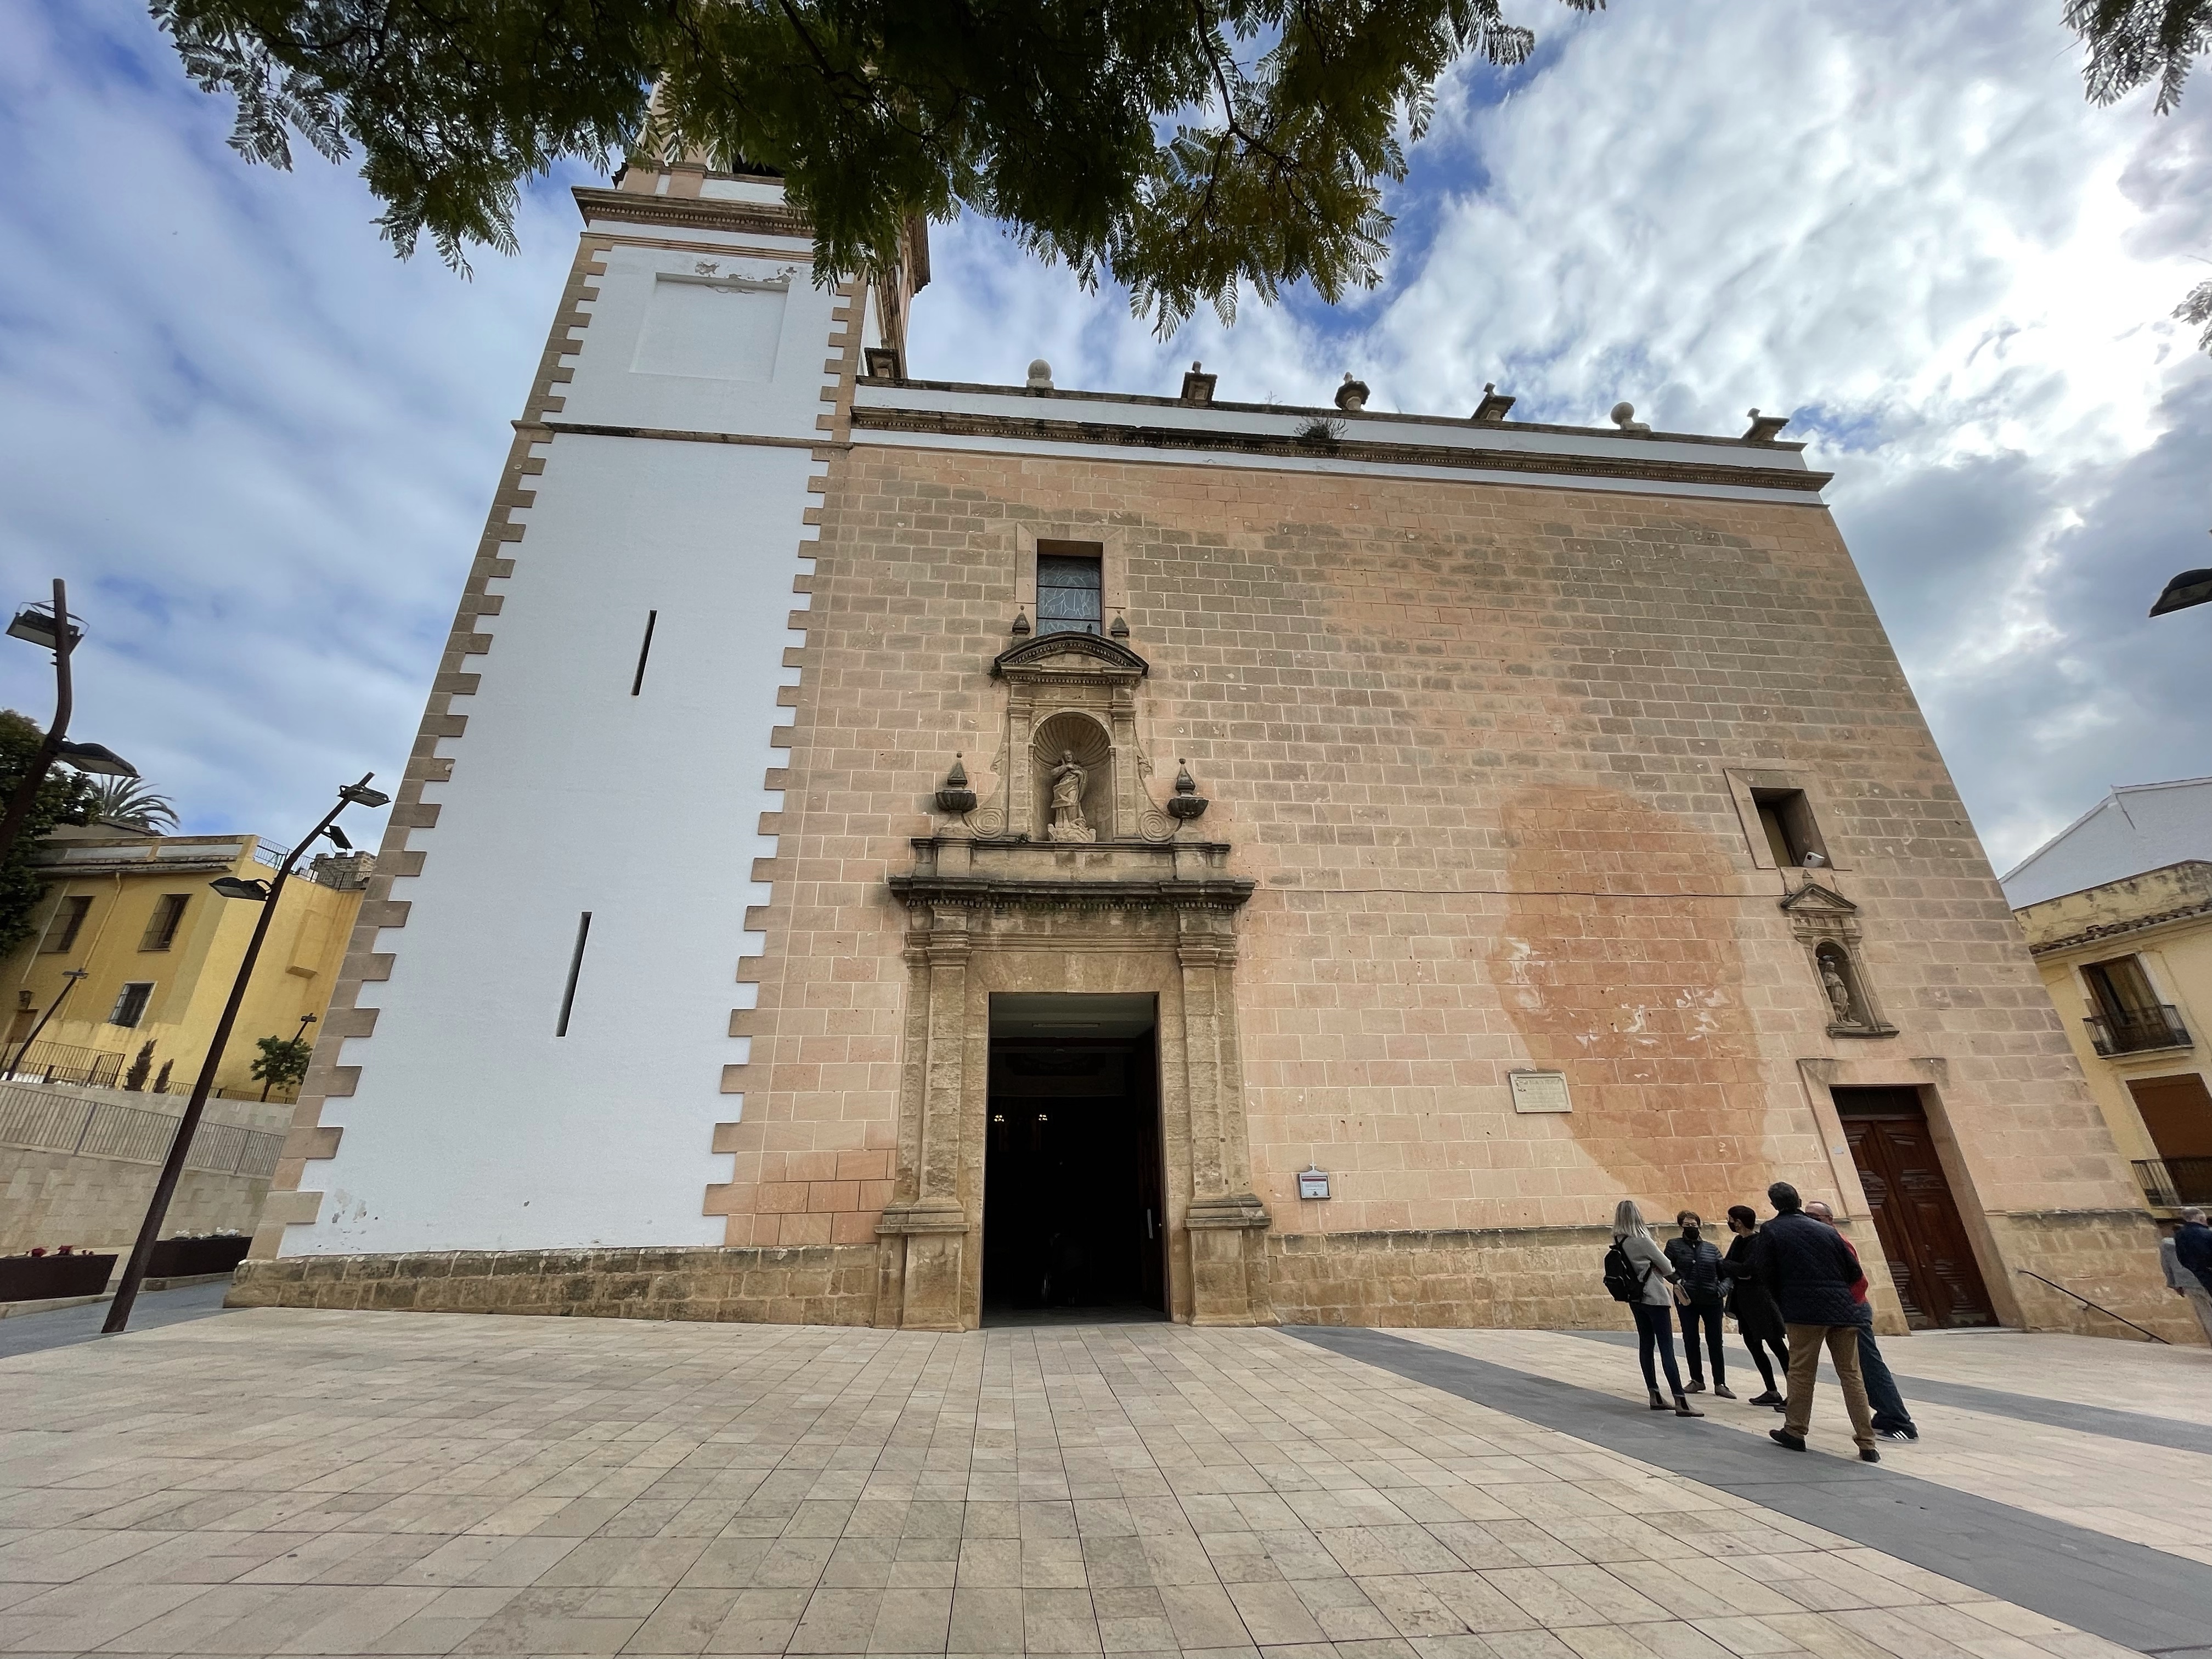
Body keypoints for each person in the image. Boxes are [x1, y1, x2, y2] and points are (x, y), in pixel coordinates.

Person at [1750, 1182, 1878, 1461]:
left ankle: (1795, 1431)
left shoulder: (1771, 1230)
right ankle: (1867, 1442)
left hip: (1804, 1311)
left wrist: (1783, 1302)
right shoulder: (1827, 1230)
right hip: (1843, 1311)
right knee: (1851, 1375)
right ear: (1799, 1201)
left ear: (1773, 1204)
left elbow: (1766, 1273)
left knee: (1801, 1373)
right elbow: (1853, 1271)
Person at [1805, 1200, 1918, 1443]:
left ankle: (1900, 1423)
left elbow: (1858, 1280)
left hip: (1853, 1312)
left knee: (1871, 1366)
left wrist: (1851, 1307)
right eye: (1808, 1217)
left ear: (1829, 1220)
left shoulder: (1839, 1242)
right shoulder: (1826, 1241)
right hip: (1846, 1311)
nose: (1811, 1221)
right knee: (1861, 1368)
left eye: (1816, 1217)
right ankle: (1884, 1414)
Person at [1611, 1200, 1705, 1418]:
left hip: (1636, 1298)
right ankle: (1680, 1400)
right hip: (1654, 1297)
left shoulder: (1618, 1239)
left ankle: (1654, 1394)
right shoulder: (1642, 1239)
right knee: (1666, 1348)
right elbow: (1667, 1266)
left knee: (1646, 1345)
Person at [1722, 1205, 1790, 1409]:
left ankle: (1795, 1393)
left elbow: (1748, 1269)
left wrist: (1735, 1269)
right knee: (1753, 1346)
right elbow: (1728, 1266)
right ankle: (1771, 1390)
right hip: (1744, 1302)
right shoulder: (1738, 1241)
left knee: (1777, 1346)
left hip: (1761, 1301)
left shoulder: (1759, 1242)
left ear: (1738, 1223)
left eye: (1731, 1219)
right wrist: (1735, 1269)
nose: (1729, 1223)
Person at [1664, 1211, 1733, 1397]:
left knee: (1715, 1341)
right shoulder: (1674, 1245)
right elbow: (1666, 1267)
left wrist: (1720, 1290)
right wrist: (1679, 1282)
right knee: (1691, 1339)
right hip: (1688, 1301)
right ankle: (1697, 1380)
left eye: (1693, 1225)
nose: (1691, 1228)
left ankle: (1720, 1383)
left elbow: (1726, 1275)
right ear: (1681, 1226)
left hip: (1712, 1301)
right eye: (1687, 1225)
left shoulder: (1712, 1249)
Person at [2164, 1206, 2212, 1344]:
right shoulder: (2207, 1234)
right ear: (2201, 1218)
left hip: (2187, 1281)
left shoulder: (2174, 1239)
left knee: (2205, 1315)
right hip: (2205, 1278)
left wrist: (2173, 1283)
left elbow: (2170, 1263)